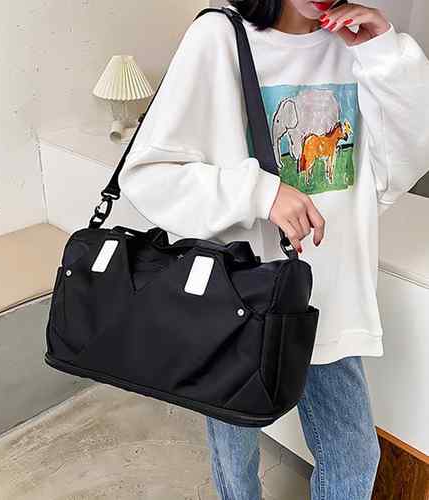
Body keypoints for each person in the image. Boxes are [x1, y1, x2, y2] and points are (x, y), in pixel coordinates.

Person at [118, 0, 429, 498]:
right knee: (236, 455)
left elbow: (398, 167)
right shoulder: (220, 36)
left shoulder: (356, 46)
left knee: (354, 457)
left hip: (327, 297)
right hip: (233, 302)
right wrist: (261, 193)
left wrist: (386, 55)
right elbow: (150, 174)